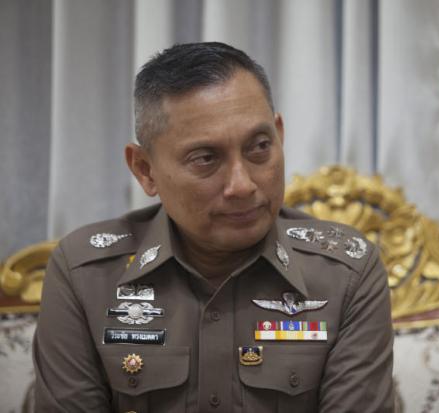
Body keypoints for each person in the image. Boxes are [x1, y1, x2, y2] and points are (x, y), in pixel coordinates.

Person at [33, 42, 394, 412]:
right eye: (205, 158)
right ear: (145, 169)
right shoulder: (87, 274)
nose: (242, 185)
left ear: (280, 136)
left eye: (259, 147)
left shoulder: (345, 274)